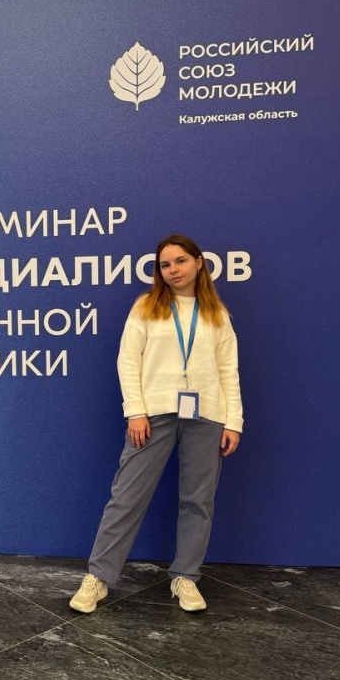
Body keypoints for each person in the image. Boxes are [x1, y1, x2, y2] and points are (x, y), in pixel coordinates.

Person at [69, 234, 243, 614]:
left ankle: (186, 577)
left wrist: (234, 421)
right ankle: (98, 577)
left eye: (180, 261)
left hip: (207, 416)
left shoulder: (216, 314)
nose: (173, 270)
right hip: (153, 414)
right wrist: (135, 411)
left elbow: (228, 371)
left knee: (198, 500)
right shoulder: (147, 306)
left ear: (199, 263)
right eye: (165, 265)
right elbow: (128, 360)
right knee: (127, 496)